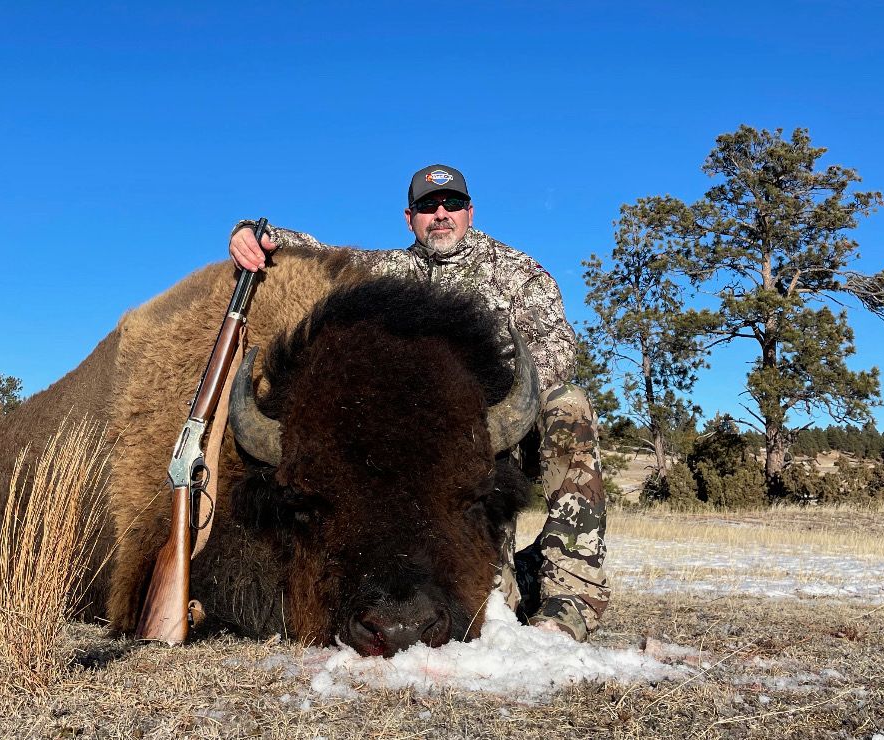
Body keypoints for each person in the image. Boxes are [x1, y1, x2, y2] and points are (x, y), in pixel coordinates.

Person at [228, 165, 609, 641]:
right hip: (427, 462)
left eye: (451, 204)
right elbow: (320, 252)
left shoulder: (520, 273)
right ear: (411, 218)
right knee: (494, 596)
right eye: (428, 207)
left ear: (470, 212)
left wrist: (469, 402)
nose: (441, 214)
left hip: (488, 438)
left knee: (567, 404)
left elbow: (559, 351)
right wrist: (256, 233)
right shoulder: (388, 270)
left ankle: (572, 593)